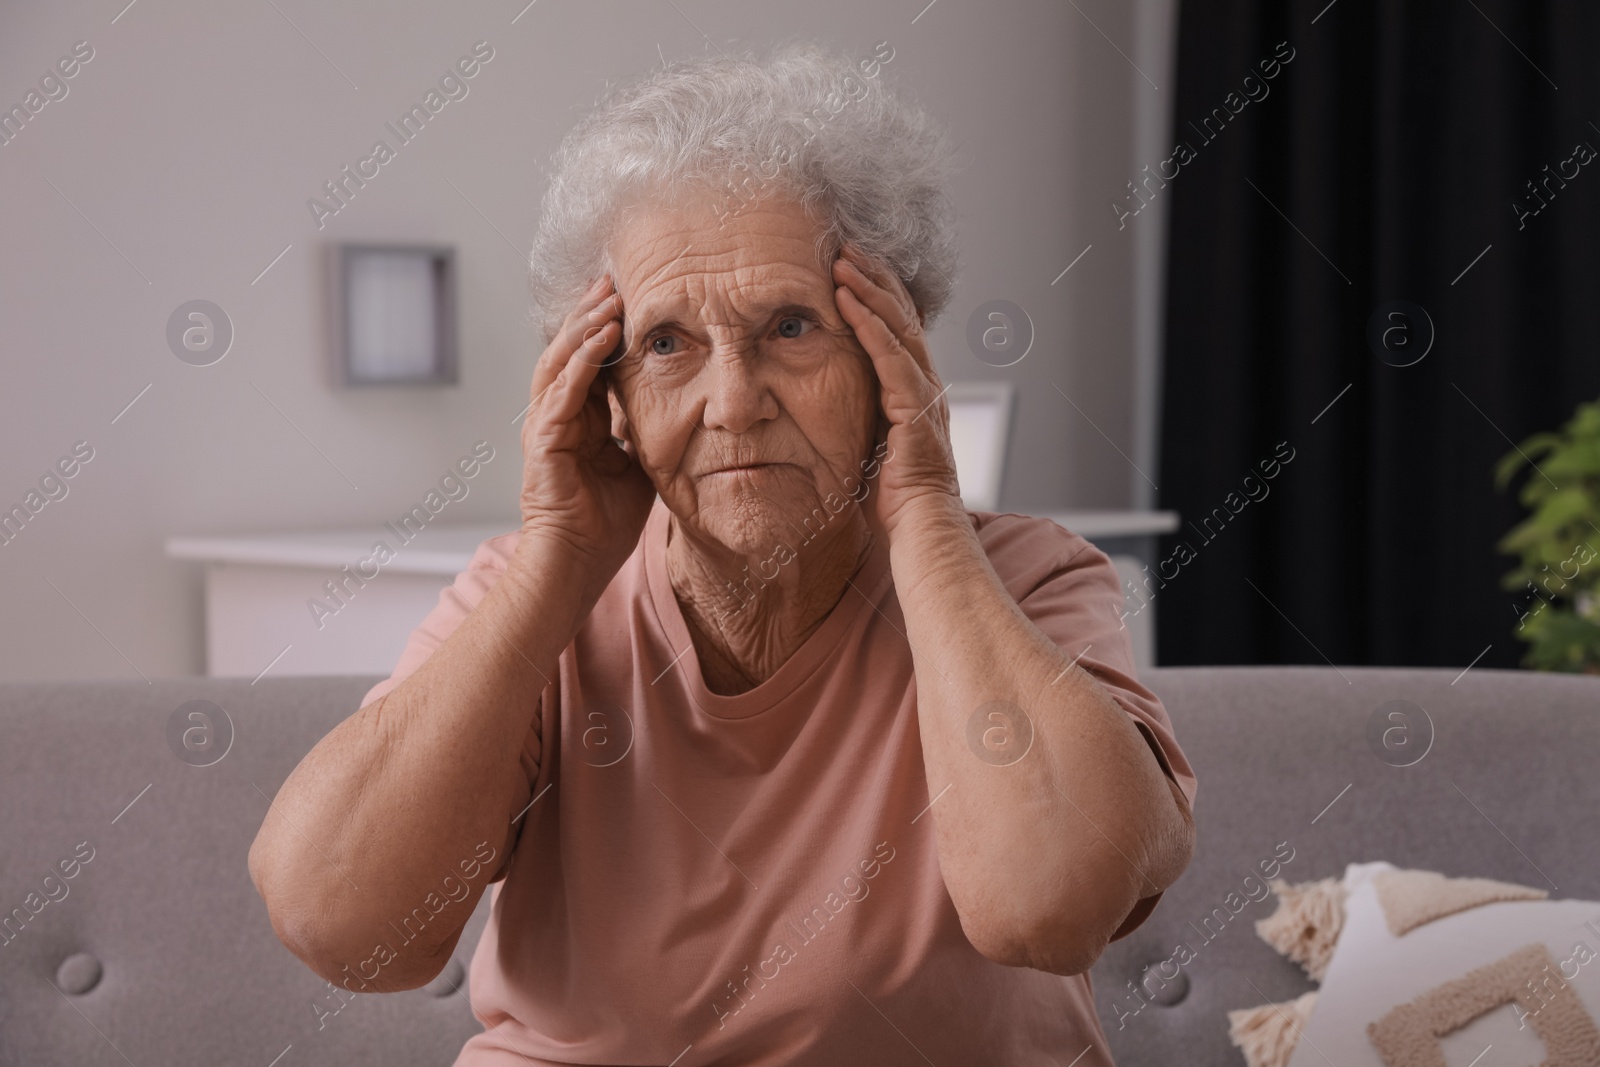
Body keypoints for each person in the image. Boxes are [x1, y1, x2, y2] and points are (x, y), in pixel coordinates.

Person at [248, 39, 1197, 1066]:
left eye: (789, 325)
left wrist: (923, 509)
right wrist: (556, 561)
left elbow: (1048, 907)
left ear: (896, 346)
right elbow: (343, 928)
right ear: (602, 387)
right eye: (665, 343)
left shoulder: (1028, 581)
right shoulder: (527, 600)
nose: (733, 402)